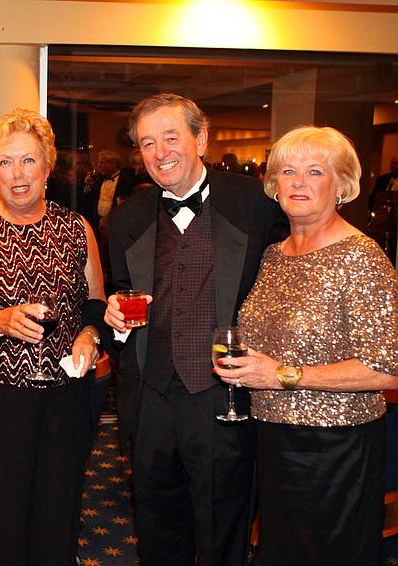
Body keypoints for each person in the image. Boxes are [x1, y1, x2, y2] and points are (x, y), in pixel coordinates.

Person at [103, 92, 288, 565]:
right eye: (148, 143)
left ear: (200, 139)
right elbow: (122, 292)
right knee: (157, 525)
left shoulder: (257, 204)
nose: (160, 152)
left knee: (222, 527)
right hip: (151, 396)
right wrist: (116, 319)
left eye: (171, 138)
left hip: (223, 396)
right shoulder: (127, 218)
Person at [215, 125, 398, 565]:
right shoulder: (275, 254)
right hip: (273, 438)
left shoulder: (361, 256)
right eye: (287, 171)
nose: (297, 182)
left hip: (336, 447)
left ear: (342, 186)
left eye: (314, 171)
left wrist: (282, 376)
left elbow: (386, 368)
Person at [0, 108, 106, 565]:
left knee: (58, 516)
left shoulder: (78, 230)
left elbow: (94, 303)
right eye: (5, 162)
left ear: (48, 167)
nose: (18, 174)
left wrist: (90, 336)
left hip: (64, 401)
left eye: (28, 160)